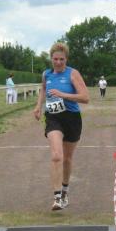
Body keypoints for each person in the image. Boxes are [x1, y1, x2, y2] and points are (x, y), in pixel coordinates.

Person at [33, 42, 89, 211]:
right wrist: (38, 106)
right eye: (55, 59)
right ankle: (57, 197)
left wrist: (62, 94)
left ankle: (65, 191)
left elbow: (85, 97)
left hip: (71, 118)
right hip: (53, 118)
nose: (58, 62)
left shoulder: (73, 74)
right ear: (51, 59)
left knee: (67, 159)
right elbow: (44, 89)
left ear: (66, 59)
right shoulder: (46, 74)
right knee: (57, 156)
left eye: (61, 59)